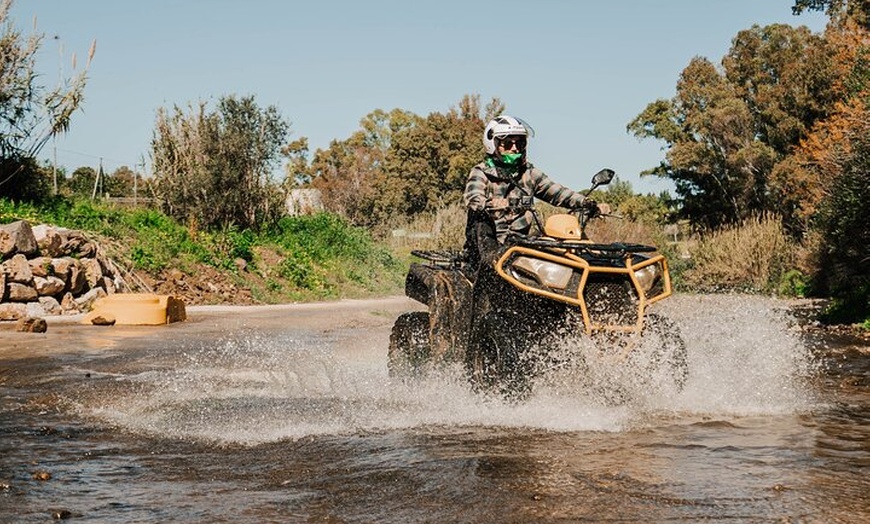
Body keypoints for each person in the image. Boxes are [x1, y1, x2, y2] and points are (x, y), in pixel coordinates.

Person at [463, 115, 599, 271]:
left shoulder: (528, 173)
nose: (515, 148)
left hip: (520, 244)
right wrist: (491, 203)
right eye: (508, 143)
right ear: (492, 145)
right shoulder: (481, 172)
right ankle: (492, 268)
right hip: (486, 247)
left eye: (520, 143)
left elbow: (557, 192)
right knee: (480, 218)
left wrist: (586, 202)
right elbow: (473, 198)